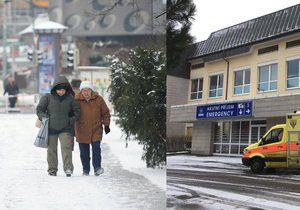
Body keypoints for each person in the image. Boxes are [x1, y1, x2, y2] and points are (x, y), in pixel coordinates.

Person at [36, 75, 80, 177]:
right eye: (59, 90)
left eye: (63, 90)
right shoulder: (47, 97)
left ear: (66, 90)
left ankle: (68, 168)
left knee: (66, 148)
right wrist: (44, 117)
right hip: (51, 128)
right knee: (51, 149)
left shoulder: (70, 99)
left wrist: (70, 121)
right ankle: (52, 169)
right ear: (55, 89)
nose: (61, 92)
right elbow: (39, 110)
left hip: (65, 128)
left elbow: (77, 112)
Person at [75, 80, 111, 176]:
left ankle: (97, 168)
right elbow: (71, 114)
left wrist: (106, 125)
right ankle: (86, 170)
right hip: (81, 129)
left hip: (96, 129)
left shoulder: (98, 99)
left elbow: (106, 113)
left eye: (88, 90)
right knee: (84, 152)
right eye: (84, 90)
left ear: (91, 90)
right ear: (81, 91)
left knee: (96, 149)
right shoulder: (76, 100)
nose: (86, 92)